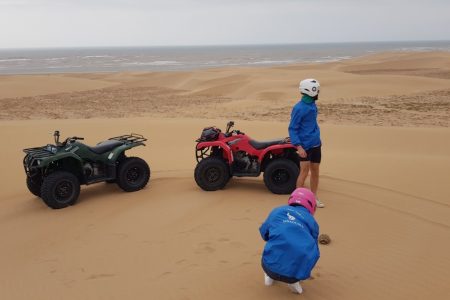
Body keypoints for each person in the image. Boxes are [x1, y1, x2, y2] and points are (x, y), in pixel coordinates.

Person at [259, 188, 320, 294]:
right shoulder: (312, 222)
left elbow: (264, 233)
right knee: (309, 250)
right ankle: (294, 280)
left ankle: (269, 276)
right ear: (312, 206)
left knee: (273, 243)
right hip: (295, 275)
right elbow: (314, 250)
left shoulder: (278, 211)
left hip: (268, 267)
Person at [288, 78, 324, 208]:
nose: (317, 93)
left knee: (315, 170)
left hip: (316, 144)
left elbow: (312, 123)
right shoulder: (298, 108)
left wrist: (317, 138)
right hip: (304, 145)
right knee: (304, 171)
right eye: (316, 91)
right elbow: (292, 128)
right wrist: (298, 146)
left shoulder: (313, 105)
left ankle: (314, 197)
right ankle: (297, 199)